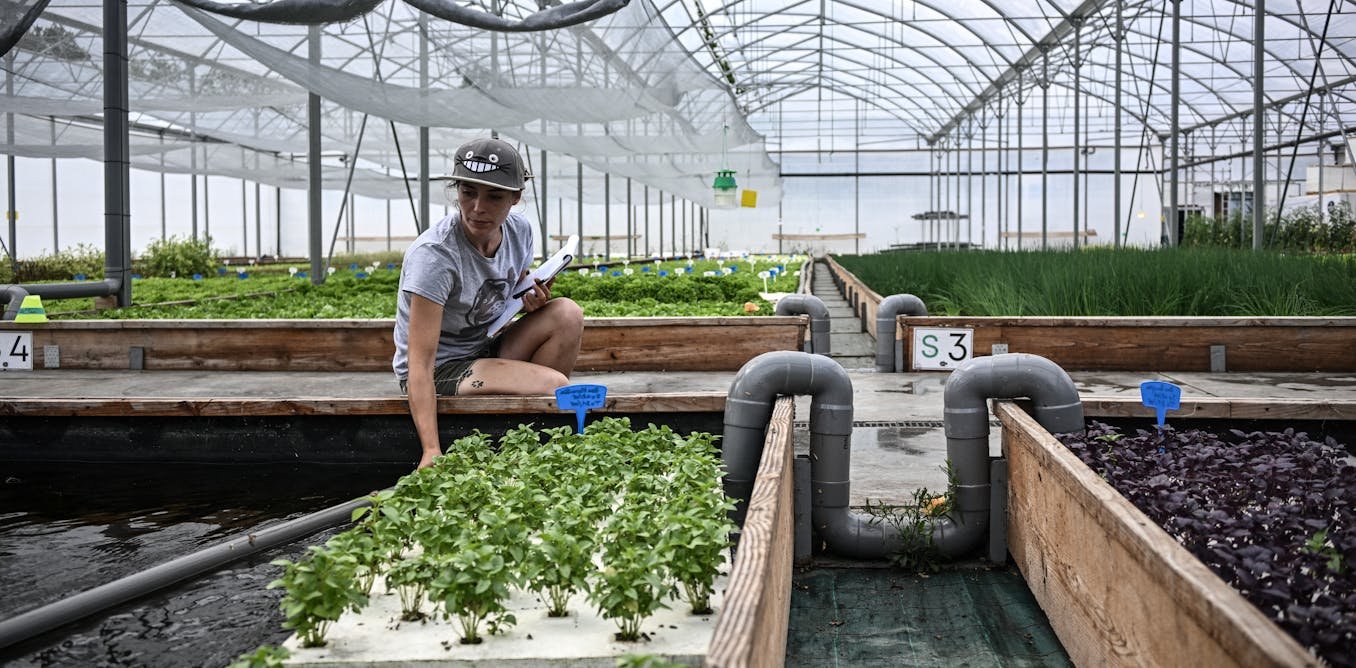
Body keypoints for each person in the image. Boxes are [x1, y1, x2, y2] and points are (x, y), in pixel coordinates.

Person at [392, 137, 584, 469]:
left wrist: (528, 300)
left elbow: (503, 298)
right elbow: (419, 364)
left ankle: (529, 434)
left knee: (567, 313)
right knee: (554, 384)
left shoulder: (519, 231)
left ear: (515, 197)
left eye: (494, 196)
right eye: (468, 193)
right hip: (440, 368)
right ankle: (528, 437)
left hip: (484, 346)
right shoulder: (434, 257)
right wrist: (430, 449)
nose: (478, 207)